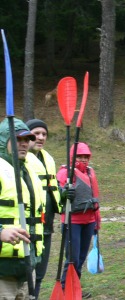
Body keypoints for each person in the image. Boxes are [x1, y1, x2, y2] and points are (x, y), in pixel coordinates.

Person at [0, 118, 44, 299]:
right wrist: (0, 231)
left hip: (27, 265)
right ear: (4, 141)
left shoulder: (29, 172)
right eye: (18, 139)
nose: (24, 144)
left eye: (27, 140)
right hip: (3, 271)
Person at [57, 142, 101, 298]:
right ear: (72, 157)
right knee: (73, 258)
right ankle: (64, 289)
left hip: (89, 221)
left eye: (85, 157)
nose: (83, 159)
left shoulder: (90, 172)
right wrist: (64, 192)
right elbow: (58, 195)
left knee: (81, 257)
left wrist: (97, 221)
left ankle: (75, 288)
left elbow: (94, 199)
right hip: (72, 222)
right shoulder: (65, 173)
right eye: (79, 156)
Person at [25, 119, 62, 298]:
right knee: (26, 273)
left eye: (44, 134)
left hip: (45, 225)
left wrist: (63, 193)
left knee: (40, 273)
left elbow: (50, 190)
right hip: (27, 227)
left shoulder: (47, 159)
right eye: (35, 133)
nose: (40, 137)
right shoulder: (19, 158)